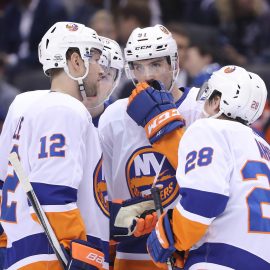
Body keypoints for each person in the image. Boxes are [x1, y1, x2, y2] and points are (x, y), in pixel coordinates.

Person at [0, 21, 110, 269]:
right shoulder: (65, 109)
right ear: (75, 61)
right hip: (51, 257)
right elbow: (51, 194)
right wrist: (82, 253)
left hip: (19, 253)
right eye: (93, 58)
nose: (101, 70)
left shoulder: (21, 105)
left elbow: (2, 181)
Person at [98, 24, 204, 270]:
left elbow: (211, 180)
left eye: (155, 64)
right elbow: (105, 193)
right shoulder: (113, 116)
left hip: (190, 250)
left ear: (173, 64)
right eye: (138, 66)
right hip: (132, 252)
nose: (146, 76)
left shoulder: (201, 107)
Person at [145, 66, 270, 269]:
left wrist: (170, 237)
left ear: (218, 100)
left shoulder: (209, 128)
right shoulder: (263, 145)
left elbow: (205, 199)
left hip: (219, 258)